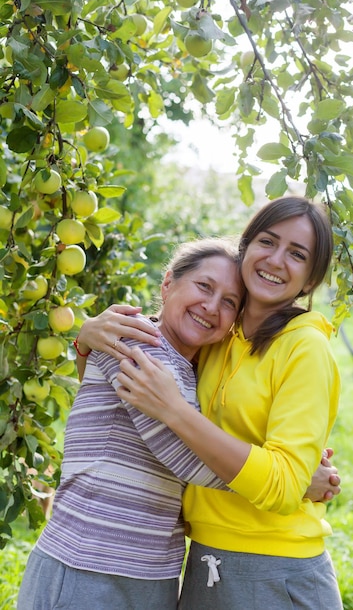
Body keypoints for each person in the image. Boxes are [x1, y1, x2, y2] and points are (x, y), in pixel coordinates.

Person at [74, 196, 344, 609]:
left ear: (310, 280)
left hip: (274, 569)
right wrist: (87, 339)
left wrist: (175, 411)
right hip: (203, 562)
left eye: (297, 254)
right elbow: (133, 408)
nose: (275, 260)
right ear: (246, 248)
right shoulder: (219, 338)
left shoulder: (305, 349)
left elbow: (284, 485)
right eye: (267, 242)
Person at [17, 238, 246, 610]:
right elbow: (185, 456)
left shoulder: (196, 373)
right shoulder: (132, 335)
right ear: (168, 283)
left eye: (230, 302)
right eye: (204, 286)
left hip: (153, 572)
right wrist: (287, 478)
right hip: (86, 566)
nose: (212, 306)